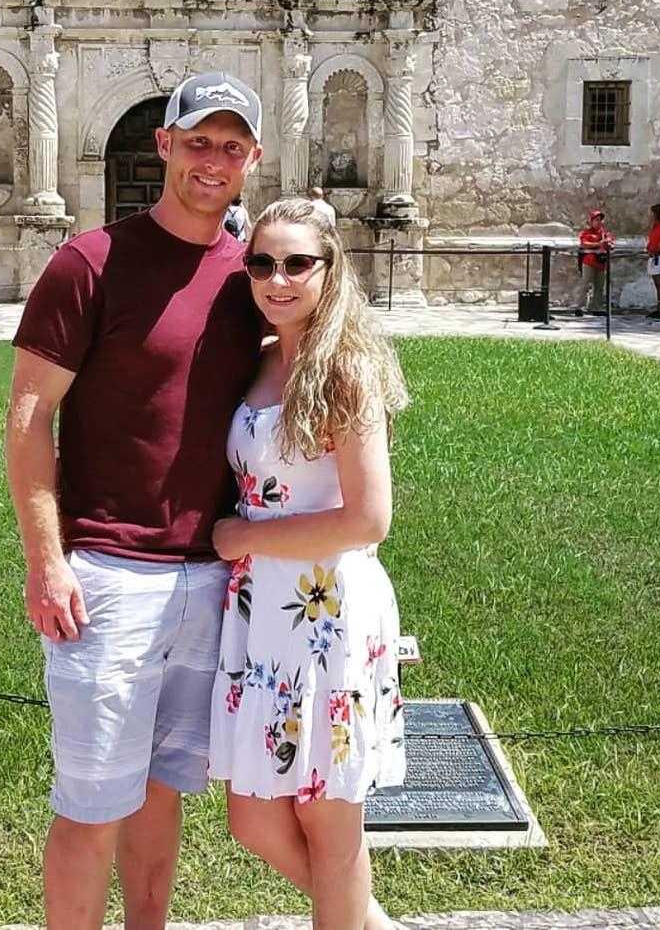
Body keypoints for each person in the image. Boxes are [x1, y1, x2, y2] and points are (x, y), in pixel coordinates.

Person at [5, 70, 264, 930]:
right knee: (91, 804)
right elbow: (28, 418)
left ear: (252, 158)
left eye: (231, 146)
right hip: (108, 577)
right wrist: (48, 563)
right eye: (197, 142)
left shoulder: (251, 279)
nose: (212, 161)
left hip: (210, 578)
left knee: (162, 793)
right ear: (164, 145)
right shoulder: (91, 262)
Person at [208, 198, 408, 930]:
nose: (278, 278)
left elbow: (367, 518)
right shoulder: (262, 361)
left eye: (297, 263)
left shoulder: (345, 369)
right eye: (262, 262)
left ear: (330, 269)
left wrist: (245, 537)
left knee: (329, 820)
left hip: (329, 609)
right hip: (264, 614)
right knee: (254, 817)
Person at [575, 208, 615, 315]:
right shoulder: (587, 233)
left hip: (601, 263)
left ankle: (597, 308)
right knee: (585, 284)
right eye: (596, 219)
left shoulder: (605, 234)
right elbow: (584, 244)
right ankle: (580, 307)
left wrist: (608, 244)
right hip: (589, 262)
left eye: (600, 219)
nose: (599, 222)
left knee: (599, 286)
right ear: (592, 221)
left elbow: (611, 244)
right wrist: (598, 244)